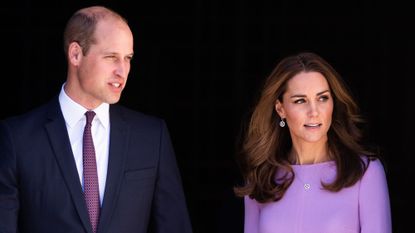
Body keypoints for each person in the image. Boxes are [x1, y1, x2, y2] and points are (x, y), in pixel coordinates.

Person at [0, 5, 192, 233]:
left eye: (128, 58)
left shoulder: (152, 137)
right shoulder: (17, 138)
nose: (123, 71)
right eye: (111, 57)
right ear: (75, 54)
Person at [234, 52, 392, 233]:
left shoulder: (364, 172)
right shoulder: (262, 179)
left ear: (333, 102)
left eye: (322, 98)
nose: (314, 111)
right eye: (301, 100)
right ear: (281, 109)